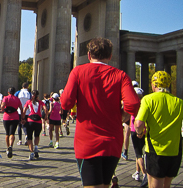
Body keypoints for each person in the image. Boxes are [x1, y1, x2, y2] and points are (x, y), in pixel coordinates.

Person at [61, 37, 141, 188]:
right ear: (110, 56)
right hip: (113, 142)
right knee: (105, 184)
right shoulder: (121, 75)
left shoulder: (78, 72)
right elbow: (134, 104)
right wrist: (123, 116)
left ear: (89, 55)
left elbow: (66, 103)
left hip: (87, 143)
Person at [134, 71, 183, 188]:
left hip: (155, 151)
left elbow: (139, 124)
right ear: (169, 84)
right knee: (167, 184)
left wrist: (139, 133)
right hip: (175, 151)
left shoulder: (148, 99)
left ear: (153, 84)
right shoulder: (181, 102)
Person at [22, 90, 48, 160]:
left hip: (30, 121)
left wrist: (23, 118)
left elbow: (24, 110)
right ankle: (36, 147)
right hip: (38, 121)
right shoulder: (41, 102)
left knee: (30, 137)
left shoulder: (29, 102)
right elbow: (45, 109)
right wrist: (46, 116)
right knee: (37, 135)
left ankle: (31, 152)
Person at [130, 87, 147, 186]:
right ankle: (137, 173)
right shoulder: (145, 105)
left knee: (138, 154)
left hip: (134, 130)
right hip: (144, 131)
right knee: (140, 151)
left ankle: (144, 173)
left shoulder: (134, 105)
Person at [1, 87, 23, 158]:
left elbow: (2, 106)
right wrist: (22, 117)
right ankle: (11, 146)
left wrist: (2, 108)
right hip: (15, 117)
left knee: (7, 133)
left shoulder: (5, 98)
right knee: (12, 133)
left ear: (8, 92)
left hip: (6, 117)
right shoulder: (17, 99)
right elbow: (21, 108)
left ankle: (8, 148)